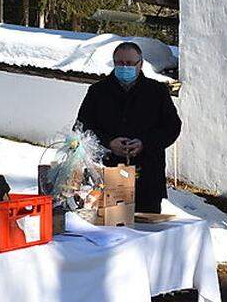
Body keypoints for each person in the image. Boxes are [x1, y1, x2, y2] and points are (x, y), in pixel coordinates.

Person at [77, 42, 181, 213]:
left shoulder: (157, 92)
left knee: (146, 232)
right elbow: (82, 126)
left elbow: (172, 127)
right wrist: (108, 143)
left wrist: (144, 143)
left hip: (147, 176)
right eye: (120, 63)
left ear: (140, 64)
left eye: (130, 63)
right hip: (106, 173)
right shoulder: (98, 91)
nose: (125, 67)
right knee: (109, 227)